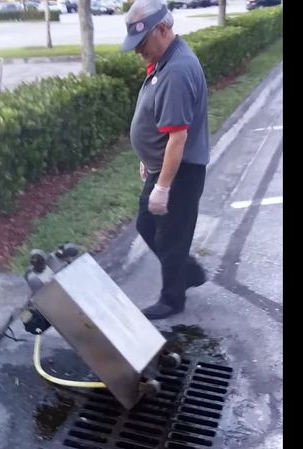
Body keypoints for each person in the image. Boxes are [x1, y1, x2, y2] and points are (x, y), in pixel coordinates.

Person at [121, 0, 211, 320]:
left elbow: (178, 137)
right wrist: (149, 155)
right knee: (148, 224)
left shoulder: (177, 69)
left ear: (162, 29)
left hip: (180, 171)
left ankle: (172, 299)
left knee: (171, 236)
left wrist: (162, 187)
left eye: (141, 43)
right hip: (164, 165)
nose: (138, 51)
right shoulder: (165, 59)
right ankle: (188, 272)